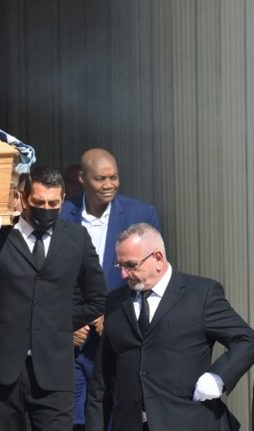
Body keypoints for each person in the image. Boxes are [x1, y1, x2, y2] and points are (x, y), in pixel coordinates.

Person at [0, 164, 107, 430]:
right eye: (38, 202)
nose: (46, 208)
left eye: (53, 203)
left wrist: (55, 322)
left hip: (53, 369)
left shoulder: (76, 238)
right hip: (0, 368)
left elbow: (97, 298)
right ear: (22, 198)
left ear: (63, 200)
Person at [86, 223, 254, 431]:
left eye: (130, 265)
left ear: (157, 258)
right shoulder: (116, 303)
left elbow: (246, 340)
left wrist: (218, 376)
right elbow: (101, 380)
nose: (123, 274)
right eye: (119, 265)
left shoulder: (200, 295)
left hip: (189, 422)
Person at [59, 148, 161, 429]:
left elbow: (151, 276)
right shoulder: (60, 213)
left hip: (118, 333)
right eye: (100, 178)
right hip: (75, 341)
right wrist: (69, 320)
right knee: (75, 417)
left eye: (113, 177)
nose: (108, 185)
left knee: (117, 414)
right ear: (82, 178)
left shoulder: (141, 214)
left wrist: (116, 317)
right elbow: (48, 277)